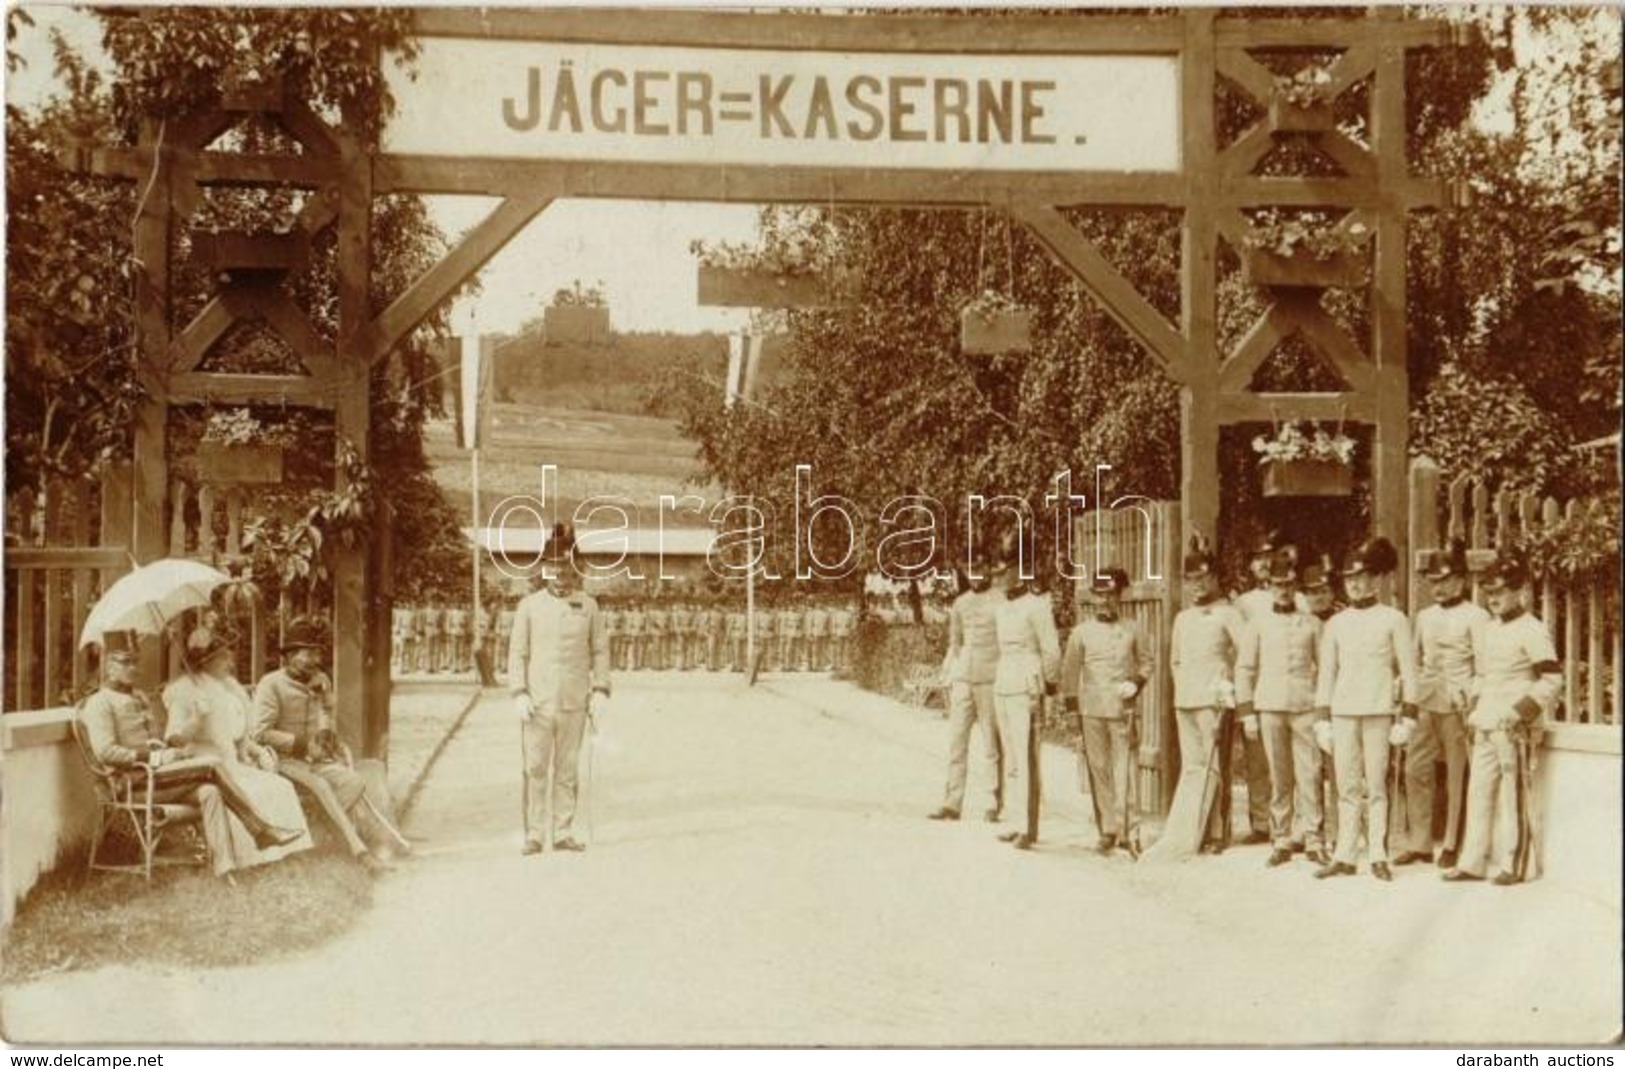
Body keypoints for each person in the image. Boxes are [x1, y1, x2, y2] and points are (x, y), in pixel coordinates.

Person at [80, 644, 303, 881]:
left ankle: (225, 869)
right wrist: (154, 757)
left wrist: (181, 733)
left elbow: (159, 740)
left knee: (209, 791)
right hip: (133, 784)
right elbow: (105, 752)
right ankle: (261, 830)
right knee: (211, 765)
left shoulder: (139, 697)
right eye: (125, 663)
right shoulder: (99, 703)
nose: (133, 668)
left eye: (134, 662)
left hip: (158, 778)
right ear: (108, 668)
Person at [1443, 554, 1560, 886]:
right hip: (1486, 723)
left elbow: (1552, 680)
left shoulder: (1533, 629)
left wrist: (1519, 712)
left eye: (1501, 591)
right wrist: (1473, 707)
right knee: (1478, 791)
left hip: (1514, 726)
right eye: (1489, 592)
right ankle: (1472, 862)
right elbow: (1484, 674)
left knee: (1513, 793)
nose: (1493, 599)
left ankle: (1514, 863)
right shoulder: (1488, 629)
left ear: (1520, 591)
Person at [253, 620, 400, 876]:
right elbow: (260, 733)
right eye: (308, 653)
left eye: (317, 652)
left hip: (317, 759)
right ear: (290, 656)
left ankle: (317, 835)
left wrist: (324, 731)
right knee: (321, 786)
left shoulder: (321, 679)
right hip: (285, 760)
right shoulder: (271, 684)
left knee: (354, 781)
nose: (315, 659)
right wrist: (301, 744)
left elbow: (327, 715)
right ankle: (360, 852)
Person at [164, 626, 314, 874]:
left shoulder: (230, 688)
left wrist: (255, 751)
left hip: (233, 763)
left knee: (279, 786)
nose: (230, 661)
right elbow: (174, 740)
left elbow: (237, 735)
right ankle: (254, 859)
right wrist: (196, 719)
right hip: (205, 767)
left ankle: (287, 852)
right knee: (253, 790)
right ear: (206, 661)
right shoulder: (184, 691)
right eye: (224, 656)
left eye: (228, 655)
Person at [1313, 537, 1418, 882]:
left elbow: (1408, 669)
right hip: (1343, 711)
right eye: (1350, 579)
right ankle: (1344, 854)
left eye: (1362, 577)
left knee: (1376, 784)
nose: (1356, 585)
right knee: (1345, 786)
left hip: (1378, 710)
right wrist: (1321, 720)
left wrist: (1409, 717)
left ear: (1376, 580)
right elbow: (1326, 674)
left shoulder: (1394, 619)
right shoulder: (1335, 624)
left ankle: (1377, 853)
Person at [1143, 540, 1247, 861]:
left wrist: (1230, 685)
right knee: (1193, 767)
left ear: (1214, 578)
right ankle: (1193, 830)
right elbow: (1175, 660)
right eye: (1191, 579)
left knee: (1215, 766)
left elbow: (1245, 654)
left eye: (1203, 578)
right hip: (1186, 699)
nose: (1197, 585)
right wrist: (1182, 690)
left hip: (1214, 700)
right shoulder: (1183, 618)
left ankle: (1218, 831)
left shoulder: (1228, 613)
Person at [510, 526, 612, 854]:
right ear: (544, 569)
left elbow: (599, 650)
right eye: (553, 568)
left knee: (567, 769)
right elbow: (517, 653)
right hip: (537, 703)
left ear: (575, 569)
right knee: (536, 768)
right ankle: (535, 834)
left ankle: (563, 831)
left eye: (567, 568)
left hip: (573, 702)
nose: (560, 576)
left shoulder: (589, 606)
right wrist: (519, 692)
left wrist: (600, 690)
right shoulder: (529, 606)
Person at [1396, 539, 1488, 869]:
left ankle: (1452, 842)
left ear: (1461, 580)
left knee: (1456, 774)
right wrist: (1409, 694)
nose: (1439, 587)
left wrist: (1472, 699)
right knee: (1414, 768)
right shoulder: (1423, 617)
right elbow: (1418, 661)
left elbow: (1483, 666)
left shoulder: (1477, 616)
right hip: (1426, 701)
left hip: (1459, 703)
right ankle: (1420, 842)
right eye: (1434, 581)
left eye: (1446, 580)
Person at [1235, 555, 1328, 867]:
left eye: (1289, 584)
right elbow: (1245, 668)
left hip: (1305, 704)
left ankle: (1313, 837)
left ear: (1296, 586)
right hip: (1270, 705)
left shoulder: (1312, 624)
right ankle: (1282, 838)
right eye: (1278, 585)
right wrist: (1246, 711)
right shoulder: (1258, 624)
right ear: (1269, 585)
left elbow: (1325, 668)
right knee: (1279, 774)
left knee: (1310, 772)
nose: (1284, 590)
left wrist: (1323, 710)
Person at [1061, 566, 1150, 856]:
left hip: (1122, 709)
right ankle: (1109, 830)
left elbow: (1147, 663)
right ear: (1093, 597)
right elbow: (1070, 673)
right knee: (1099, 771)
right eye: (1100, 595)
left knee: (1126, 770)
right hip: (1092, 711)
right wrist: (1074, 713)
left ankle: (1131, 831)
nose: (1105, 601)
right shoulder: (1081, 633)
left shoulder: (1133, 628)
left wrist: (1136, 684)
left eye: (1110, 595)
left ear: (1119, 596)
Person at [992, 559, 1060, 850]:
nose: (998, 577)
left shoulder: (1037, 605)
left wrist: (1050, 686)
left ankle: (1028, 827)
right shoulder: (1000, 607)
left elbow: (1051, 649)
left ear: (1018, 573)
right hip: (1004, 680)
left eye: (1003, 572)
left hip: (1026, 683)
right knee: (1011, 754)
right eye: (996, 573)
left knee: (1026, 753)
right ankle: (1015, 820)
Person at [929, 555, 1003, 823]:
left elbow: (1007, 641)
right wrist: (948, 670)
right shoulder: (960, 602)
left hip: (991, 678)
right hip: (963, 679)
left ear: (989, 570)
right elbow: (955, 642)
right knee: (956, 742)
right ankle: (952, 802)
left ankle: (992, 802)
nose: (975, 574)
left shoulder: (1001, 600)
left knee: (991, 745)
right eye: (970, 569)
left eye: (980, 568)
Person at [1227, 534, 1285, 846]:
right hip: (1255, 684)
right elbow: (1237, 650)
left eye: (1269, 557)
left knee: (1285, 758)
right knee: (1256, 759)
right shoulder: (1244, 603)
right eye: (1258, 559)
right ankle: (1261, 822)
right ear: (1251, 565)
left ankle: (1288, 824)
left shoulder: (1294, 598)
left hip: (1283, 684)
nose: (1264, 563)